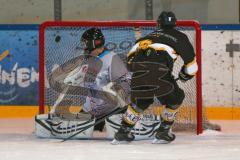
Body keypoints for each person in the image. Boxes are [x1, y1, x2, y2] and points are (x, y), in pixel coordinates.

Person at [112, 11, 198, 144]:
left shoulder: (145, 38)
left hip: (138, 72)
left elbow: (129, 61)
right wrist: (184, 75)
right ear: (174, 23)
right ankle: (163, 131)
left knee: (141, 102)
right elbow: (192, 67)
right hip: (160, 73)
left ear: (158, 24)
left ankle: (122, 132)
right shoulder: (180, 36)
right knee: (176, 98)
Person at [63, 27, 130, 131]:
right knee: (72, 128)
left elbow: (124, 85)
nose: (84, 49)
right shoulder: (87, 58)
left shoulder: (112, 58)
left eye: (86, 46)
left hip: (109, 111)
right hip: (90, 110)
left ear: (95, 45)